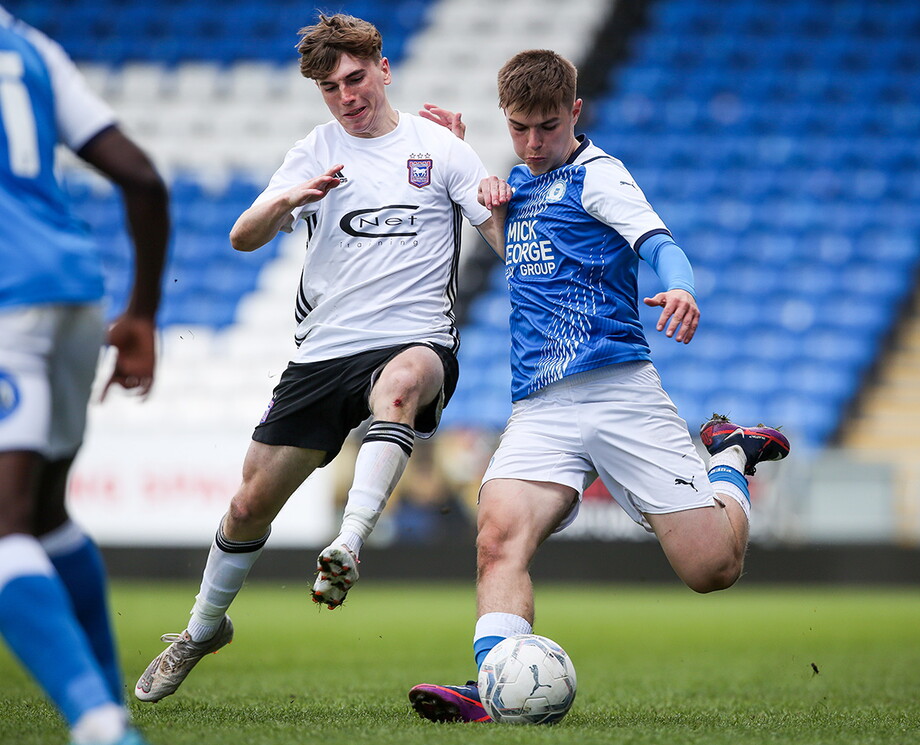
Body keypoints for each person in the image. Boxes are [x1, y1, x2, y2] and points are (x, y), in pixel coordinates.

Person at [408, 49, 790, 722]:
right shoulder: (519, 185)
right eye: (520, 127)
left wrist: (681, 286)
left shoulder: (599, 177)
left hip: (620, 393)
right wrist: (462, 158)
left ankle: (731, 454)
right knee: (498, 536)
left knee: (712, 569)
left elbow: (659, 243)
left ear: (575, 113)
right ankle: (495, 683)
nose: (533, 142)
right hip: (541, 405)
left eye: (548, 127)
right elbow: (514, 245)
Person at [134, 13, 500, 703]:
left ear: (383, 69)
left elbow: (506, 237)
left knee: (403, 384)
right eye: (330, 88)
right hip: (323, 353)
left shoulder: (442, 148)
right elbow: (243, 236)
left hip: (414, 336)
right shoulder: (314, 150)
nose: (345, 96)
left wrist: (499, 189)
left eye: (355, 79)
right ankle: (202, 628)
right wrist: (285, 202)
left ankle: (350, 541)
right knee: (247, 505)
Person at [0, 7, 169, 745]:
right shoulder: (29, 46)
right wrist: (141, 315)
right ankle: (109, 703)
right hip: (73, 286)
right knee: (44, 516)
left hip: (6, 298)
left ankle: (99, 722)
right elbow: (141, 177)